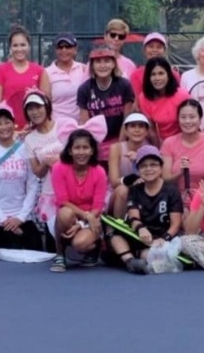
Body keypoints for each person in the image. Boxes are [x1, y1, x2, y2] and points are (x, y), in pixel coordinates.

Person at [107, 145, 184, 274]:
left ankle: (135, 257)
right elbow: (134, 217)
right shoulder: (135, 190)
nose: (148, 169)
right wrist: (141, 228)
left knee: (147, 255)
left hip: (163, 237)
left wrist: (164, 238)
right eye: (143, 166)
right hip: (141, 236)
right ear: (138, 170)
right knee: (115, 236)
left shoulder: (171, 190)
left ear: (160, 168)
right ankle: (130, 261)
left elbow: (176, 223)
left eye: (153, 165)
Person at [0, 103, 41, 249]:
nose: (4, 127)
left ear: (14, 124)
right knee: (12, 245)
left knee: (36, 246)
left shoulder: (26, 149)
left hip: (21, 216)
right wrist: (4, 220)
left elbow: (32, 185)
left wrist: (21, 217)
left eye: (7, 122)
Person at [49, 128, 109, 272]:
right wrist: (85, 216)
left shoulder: (100, 172)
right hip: (68, 216)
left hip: (91, 219)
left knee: (80, 243)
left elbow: (98, 206)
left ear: (92, 150)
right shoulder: (59, 168)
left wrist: (82, 223)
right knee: (65, 213)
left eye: (85, 148)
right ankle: (60, 255)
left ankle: (93, 250)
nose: (81, 152)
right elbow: (62, 201)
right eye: (77, 148)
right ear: (70, 150)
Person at [24, 92, 77, 242]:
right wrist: (46, 163)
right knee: (53, 240)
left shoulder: (64, 125)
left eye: (38, 107)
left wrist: (62, 158)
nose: (35, 112)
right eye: (30, 109)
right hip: (49, 193)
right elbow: (38, 173)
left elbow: (80, 154)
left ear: (47, 107)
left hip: (72, 189)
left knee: (74, 229)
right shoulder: (29, 139)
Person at [77, 44, 135, 163]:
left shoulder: (124, 85)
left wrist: (119, 146)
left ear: (114, 64)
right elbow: (86, 124)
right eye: (98, 61)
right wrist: (94, 146)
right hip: (96, 142)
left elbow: (127, 119)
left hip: (120, 138)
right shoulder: (84, 89)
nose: (102, 65)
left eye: (107, 61)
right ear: (92, 65)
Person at [161, 99, 204, 204]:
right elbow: (165, 179)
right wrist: (180, 173)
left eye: (192, 117)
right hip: (175, 200)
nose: (187, 121)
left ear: (200, 119)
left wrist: (195, 199)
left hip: (203, 199)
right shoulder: (169, 143)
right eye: (183, 117)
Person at [0, 25, 51, 133]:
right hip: (9, 132)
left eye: (23, 45)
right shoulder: (0, 70)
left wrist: (33, 126)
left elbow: (46, 105)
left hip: (34, 130)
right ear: (10, 47)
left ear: (29, 46)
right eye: (15, 45)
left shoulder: (40, 71)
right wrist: (10, 130)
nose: (19, 49)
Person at [107, 113, 154, 218]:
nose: (137, 130)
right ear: (125, 130)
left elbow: (155, 179)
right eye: (132, 126)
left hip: (143, 192)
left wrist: (139, 159)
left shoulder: (151, 149)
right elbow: (114, 181)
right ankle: (118, 227)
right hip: (118, 194)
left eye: (141, 126)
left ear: (147, 131)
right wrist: (132, 180)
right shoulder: (116, 148)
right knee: (123, 190)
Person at [135, 56, 190, 141]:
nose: (157, 78)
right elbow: (152, 131)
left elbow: (190, 123)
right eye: (153, 74)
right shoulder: (143, 98)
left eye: (161, 73)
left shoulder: (182, 95)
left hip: (184, 138)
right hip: (161, 142)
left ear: (168, 75)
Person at [45, 33, 88, 123]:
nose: (64, 50)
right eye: (60, 47)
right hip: (57, 127)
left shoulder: (84, 69)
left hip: (80, 127)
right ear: (55, 50)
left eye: (68, 47)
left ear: (75, 49)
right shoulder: (47, 73)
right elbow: (45, 104)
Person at [129, 32, 179, 98]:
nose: (155, 50)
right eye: (151, 46)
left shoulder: (174, 74)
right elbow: (138, 101)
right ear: (144, 50)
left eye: (159, 47)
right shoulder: (135, 75)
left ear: (164, 51)